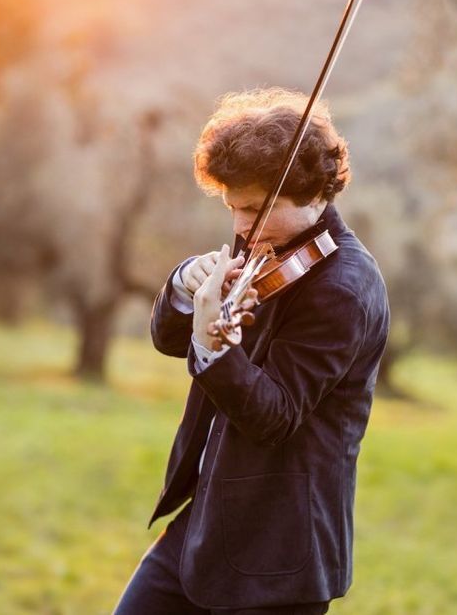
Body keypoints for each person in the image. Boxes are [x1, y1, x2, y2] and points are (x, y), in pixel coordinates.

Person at [114, 88, 390, 614]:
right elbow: (168, 340)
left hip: (279, 550)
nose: (241, 227)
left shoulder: (343, 290)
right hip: (206, 522)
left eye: (255, 210)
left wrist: (213, 348)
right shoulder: (264, 241)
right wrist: (183, 287)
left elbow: (276, 415)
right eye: (232, 208)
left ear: (314, 195)